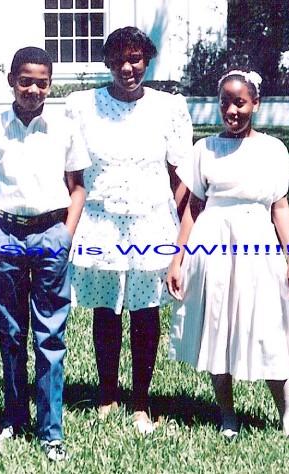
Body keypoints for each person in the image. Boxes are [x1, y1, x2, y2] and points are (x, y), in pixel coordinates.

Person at [167, 70, 289, 440]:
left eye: (240, 103)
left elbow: (280, 208)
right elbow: (193, 209)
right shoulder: (205, 149)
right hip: (213, 245)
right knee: (218, 326)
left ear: (255, 104)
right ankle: (227, 416)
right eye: (225, 103)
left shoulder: (272, 149)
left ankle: (287, 416)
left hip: (258, 245)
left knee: (268, 325)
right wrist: (178, 259)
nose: (232, 111)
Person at [65, 26, 192, 432]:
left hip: (150, 224)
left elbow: (181, 174)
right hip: (100, 222)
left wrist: (172, 225)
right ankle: (107, 395)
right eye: (119, 59)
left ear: (147, 60)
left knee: (145, 311)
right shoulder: (83, 106)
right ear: (107, 62)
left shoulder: (168, 107)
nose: (127, 67)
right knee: (106, 311)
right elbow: (70, 170)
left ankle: (141, 401)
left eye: (135, 58)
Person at [0, 46, 90, 462]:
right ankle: (14, 415)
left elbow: (78, 186)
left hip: (51, 234)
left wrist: (66, 234)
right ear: (12, 81)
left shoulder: (64, 128)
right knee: (10, 333)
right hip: (7, 235)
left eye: (42, 83)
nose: (33, 90)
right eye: (25, 81)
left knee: (50, 337)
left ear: (50, 85)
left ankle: (51, 430)